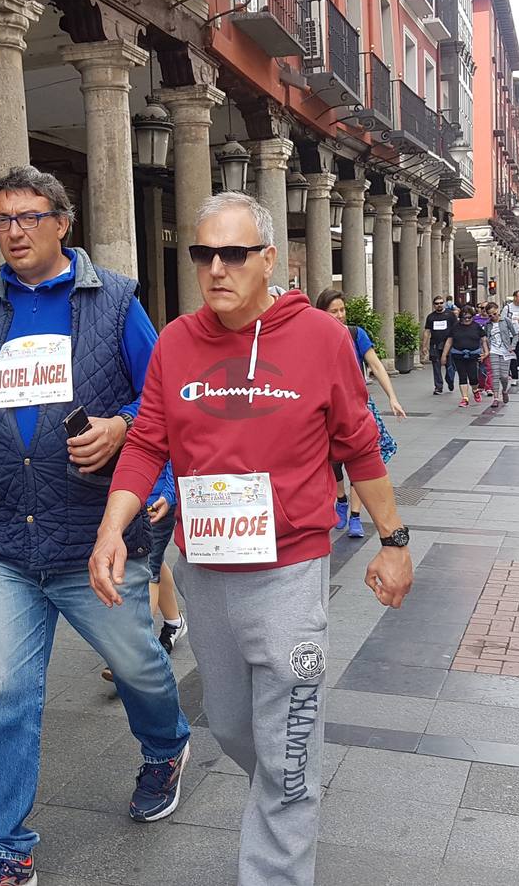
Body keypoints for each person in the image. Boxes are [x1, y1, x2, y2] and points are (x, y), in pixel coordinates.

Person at [90, 191, 414, 886]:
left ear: (269, 260)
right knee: (236, 728)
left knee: (289, 754)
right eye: (202, 253)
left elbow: (359, 447)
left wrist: (393, 540)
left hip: (290, 574)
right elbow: (147, 443)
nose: (215, 268)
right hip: (205, 571)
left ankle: (276, 855)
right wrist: (111, 528)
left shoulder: (321, 339)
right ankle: (284, 795)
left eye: (232, 253)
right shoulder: (177, 343)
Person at [0, 166, 190, 885]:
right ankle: (2, 847)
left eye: (28, 216)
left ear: (63, 222)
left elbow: (165, 403)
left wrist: (127, 436)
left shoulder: (113, 301)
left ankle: (164, 747)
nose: (14, 230)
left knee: (140, 666)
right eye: (2, 219)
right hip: (3, 537)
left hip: (94, 534)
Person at [317, 289, 405, 537]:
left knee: (360, 458)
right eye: (333, 311)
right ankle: (341, 499)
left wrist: (393, 397)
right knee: (332, 459)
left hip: (358, 406)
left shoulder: (356, 334)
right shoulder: (317, 338)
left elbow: (375, 365)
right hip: (329, 408)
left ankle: (355, 516)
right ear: (322, 313)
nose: (340, 315)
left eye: (342, 310)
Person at [102, 465, 185, 683]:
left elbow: (171, 457)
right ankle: (175, 622)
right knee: (154, 563)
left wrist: (168, 496)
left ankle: (135, 655)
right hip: (130, 502)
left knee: (149, 572)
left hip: (157, 505)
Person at [449, 303, 490, 407]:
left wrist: (486, 352)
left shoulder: (476, 326)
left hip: (473, 355)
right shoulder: (456, 327)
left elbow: (483, 339)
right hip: (458, 354)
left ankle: (475, 390)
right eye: (464, 317)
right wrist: (444, 355)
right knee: (462, 376)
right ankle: (465, 398)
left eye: (469, 317)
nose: (467, 319)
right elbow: (449, 340)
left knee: (473, 377)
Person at [484, 302, 517, 408]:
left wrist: (512, 345)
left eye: (494, 313)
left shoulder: (506, 321)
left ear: (498, 310)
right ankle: (496, 398)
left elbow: (515, 334)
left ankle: (504, 390)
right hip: (494, 350)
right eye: (490, 315)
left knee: (504, 376)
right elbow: (485, 338)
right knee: (495, 374)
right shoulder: (488, 324)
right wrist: (486, 350)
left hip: (506, 351)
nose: (493, 316)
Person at [422, 295, 456, 394]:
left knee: (450, 367)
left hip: (449, 344)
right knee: (436, 366)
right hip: (435, 345)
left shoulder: (450, 315)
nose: (439, 305)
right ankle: (438, 386)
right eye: (437, 304)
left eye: (441, 303)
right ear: (434, 305)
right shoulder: (431, 317)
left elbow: (455, 329)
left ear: (444, 303)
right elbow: (427, 331)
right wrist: (424, 346)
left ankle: (450, 381)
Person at [504, 290, 519, 387]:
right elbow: (503, 321)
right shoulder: (508, 308)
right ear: (515, 297)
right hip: (511, 335)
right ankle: (514, 377)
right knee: (512, 357)